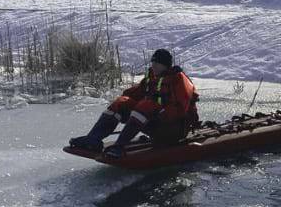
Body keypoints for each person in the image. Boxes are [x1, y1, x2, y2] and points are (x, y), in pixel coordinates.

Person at [68, 49, 199, 158]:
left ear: (166, 65)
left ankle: (119, 147)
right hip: (155, 124)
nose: (153, 66)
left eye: (157, 63)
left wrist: (159, 114)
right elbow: (135, 93)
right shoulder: (152, 78)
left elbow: (181, 109)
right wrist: (123, 102)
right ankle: (93, 140)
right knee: (121, 103)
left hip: (174, 128)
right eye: (153, 62)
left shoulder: (179, 79)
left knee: (146, 105)